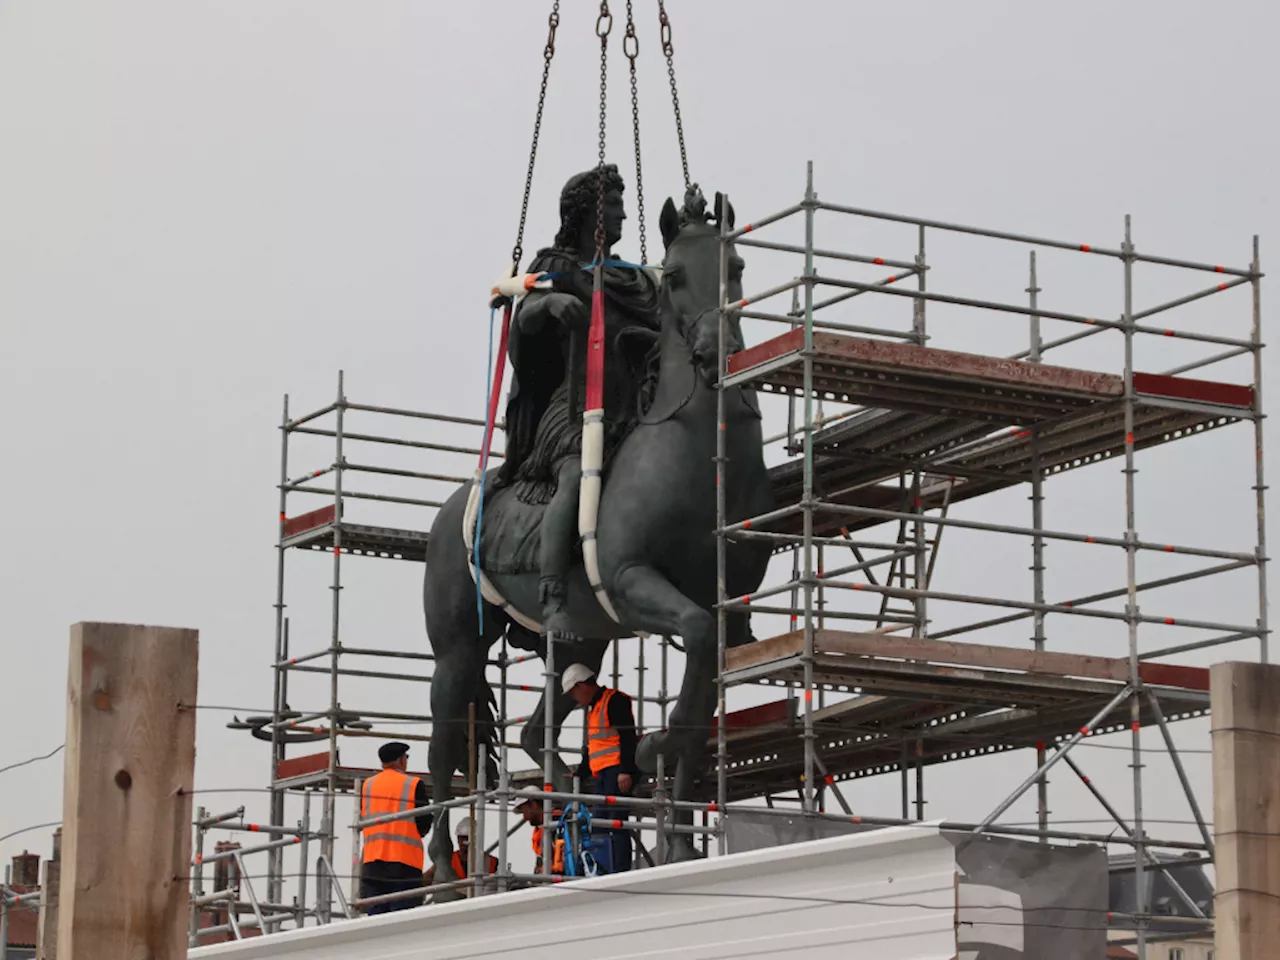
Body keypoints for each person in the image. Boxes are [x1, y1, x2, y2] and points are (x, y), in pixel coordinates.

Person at [494, 164, 661, 639]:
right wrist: (548, 304)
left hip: (634, 399)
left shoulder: (633, 277)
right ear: (589, 213)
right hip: (575, 402)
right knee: (574, 473)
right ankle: (552, 596)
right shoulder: (558, 266)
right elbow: (523, 315)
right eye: (613, 206)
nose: (624, 214)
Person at [562, 662, 638, 872]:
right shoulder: (594, 709)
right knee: (600, 825)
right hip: (603, 774)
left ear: (582, 686)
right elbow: (593, 746)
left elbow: (628, 736)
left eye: (573, 693)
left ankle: (620, 870)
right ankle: (605, 868)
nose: (574, 698)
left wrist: (625, 769)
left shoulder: (614, 701)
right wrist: (581, 772)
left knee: (616, 823)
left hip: (616, 772)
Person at [359, 741, 431, 914]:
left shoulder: (367, 785)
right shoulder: (412, 784)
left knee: (377, 921)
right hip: (403, 864)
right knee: (401, 920)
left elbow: (362, 818)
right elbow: (424, 823)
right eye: (406, 757)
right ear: (401, 760)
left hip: (372, 863)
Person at [424, 819, 499, 896]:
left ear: (476, 838)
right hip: (455, 904)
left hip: (482, 903)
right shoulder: (448, 859)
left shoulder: (492, 862)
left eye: (467, 838)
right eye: (461, 837)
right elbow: (426, 879)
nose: (463, 841)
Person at [515, 796, 565, 875]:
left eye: (524, 811)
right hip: (549, 877)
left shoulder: (557, 822)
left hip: (562, 879)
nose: (525, 817)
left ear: (534, 805)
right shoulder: (540, 828)